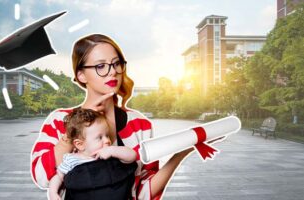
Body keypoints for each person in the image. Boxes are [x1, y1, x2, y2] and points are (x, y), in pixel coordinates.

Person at [30, 33, 194, 200]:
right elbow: (42, 178)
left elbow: (143, 193)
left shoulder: (139, 124)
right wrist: (73, 130)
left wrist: (180, 154)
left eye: (116, 64)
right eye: (101, 66)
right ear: (81, 75)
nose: (113, 72)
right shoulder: (59, 120)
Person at [48, 108, 137, 200]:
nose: (107, 140)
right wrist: (53, 192)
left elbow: (132, 156)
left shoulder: (112, 153)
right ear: (80, 144)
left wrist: (112, 151)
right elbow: (58, 177)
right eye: (100, 137)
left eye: (107, 135)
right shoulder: (72, 159)